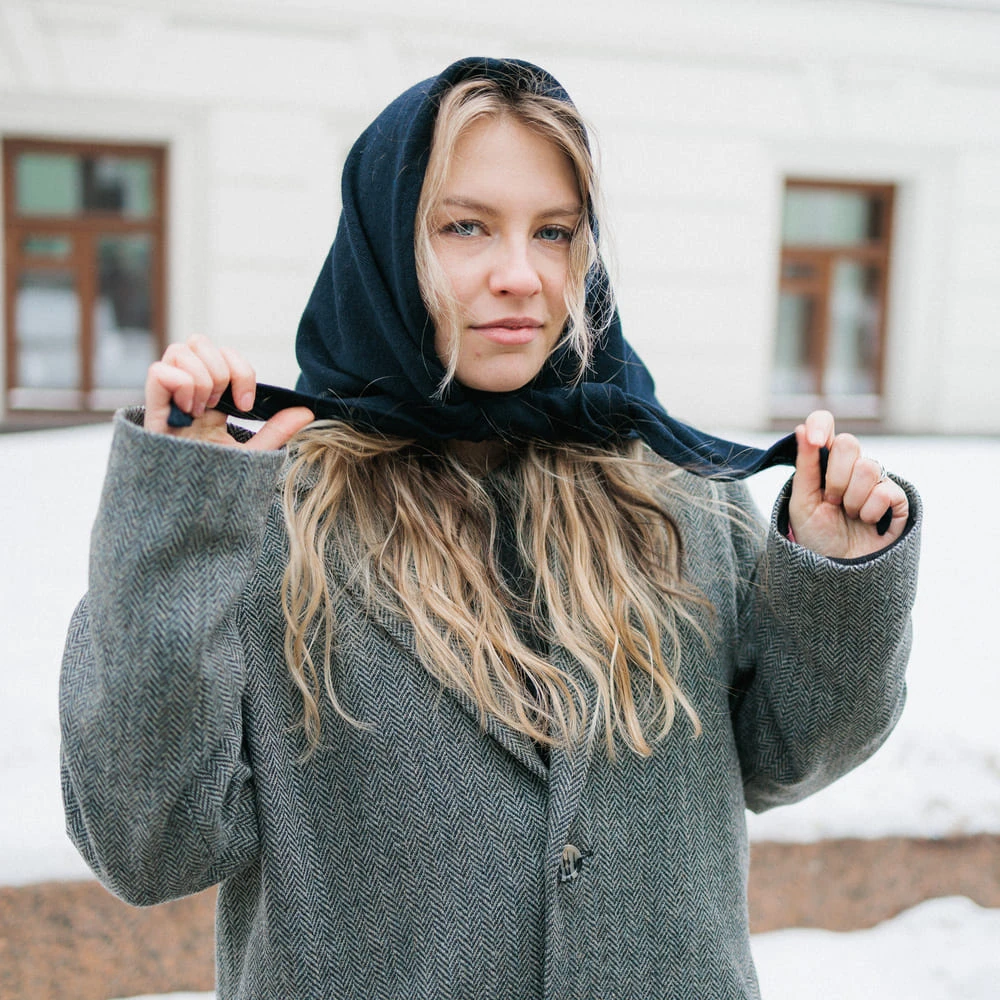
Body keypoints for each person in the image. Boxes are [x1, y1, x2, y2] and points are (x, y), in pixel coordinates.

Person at [60, 57, 920, 999]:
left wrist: (833, 575)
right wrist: (179, 513)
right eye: (464, 226)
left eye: (553, 232)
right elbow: (148, 845)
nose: (521, 275)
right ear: (386, 239)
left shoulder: (675, 488)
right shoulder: (268, 512)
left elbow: (782, 760)